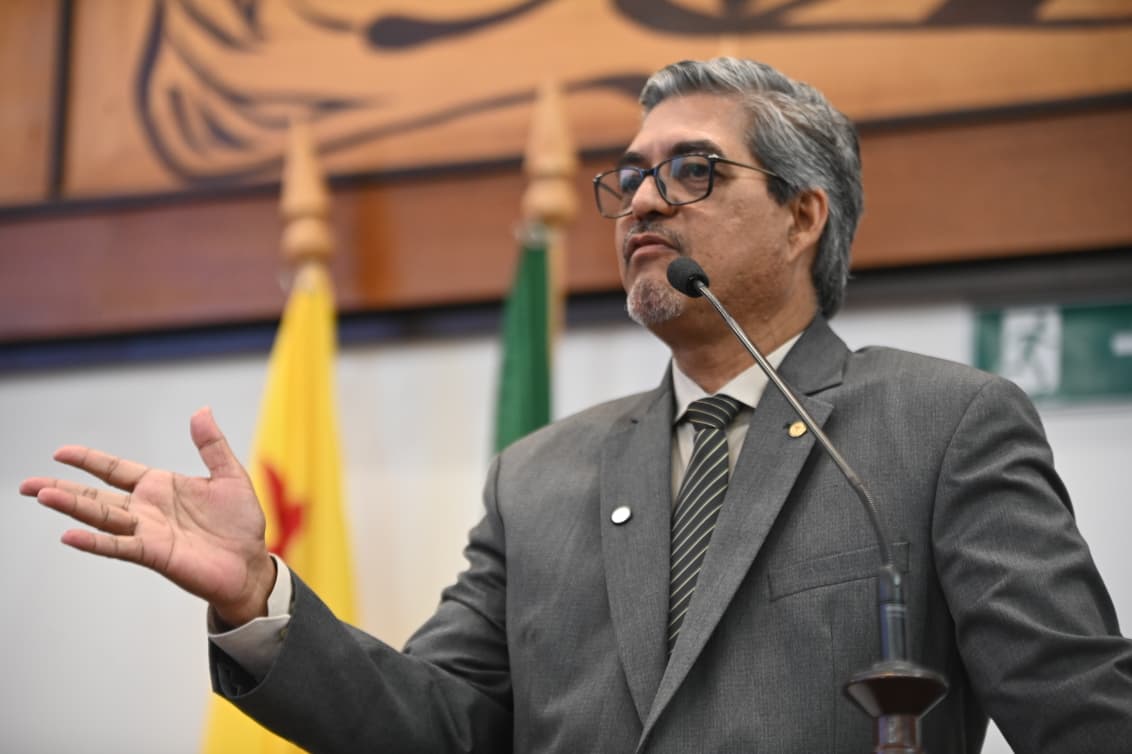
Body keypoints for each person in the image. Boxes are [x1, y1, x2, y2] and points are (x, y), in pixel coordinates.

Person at [20, 58, 1132, 753]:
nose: (642, 200)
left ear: (803, 216)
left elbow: (1080, 712)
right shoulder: (540, 475)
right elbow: (441, 729)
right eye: (631, 176)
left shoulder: (940, 424)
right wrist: (258, 594)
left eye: (692, 171)